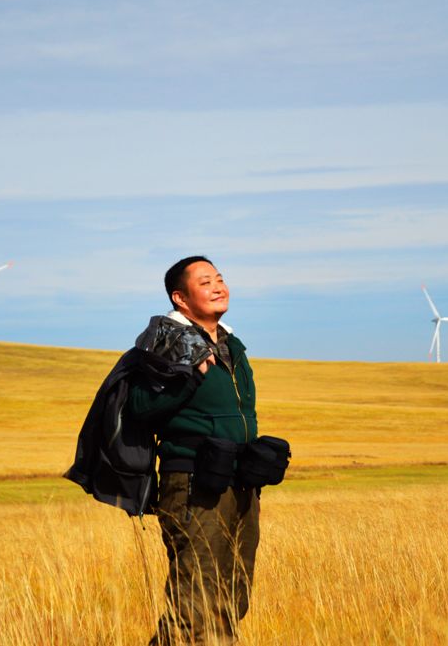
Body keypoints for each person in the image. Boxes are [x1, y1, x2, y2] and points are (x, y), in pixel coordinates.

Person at [128, 256, 260, 646]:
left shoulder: (231, 343)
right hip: (193, 482)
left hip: (239, 482)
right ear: (180, 298)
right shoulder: (167, 342)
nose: (218, 286)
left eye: (219, 279)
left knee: (233, 594)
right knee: (195, 599)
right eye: (205, 282)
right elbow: (139, 407)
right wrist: (185, 378)